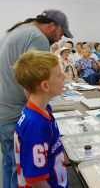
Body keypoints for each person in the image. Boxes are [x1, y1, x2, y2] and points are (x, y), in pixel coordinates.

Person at [0, 9, 72, 188]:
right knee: (21, 172)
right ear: (51, 26)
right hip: (13, 111)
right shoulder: (37, 37)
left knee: (11, 166)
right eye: (60, 33)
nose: (58, 38)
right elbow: (39, 78)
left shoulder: (18, 30)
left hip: (5, 110)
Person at [13, 50, 68, 188]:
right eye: (60, 74)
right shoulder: (35, 124)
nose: (65, 76)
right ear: (45, 86)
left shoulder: (42, 108)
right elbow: (35, 179)